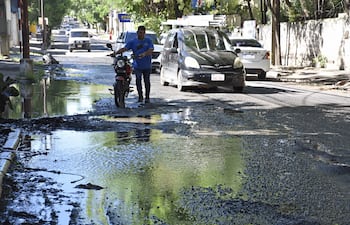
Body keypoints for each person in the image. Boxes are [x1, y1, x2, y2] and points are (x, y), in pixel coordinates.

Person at [115, 26, 154, 103]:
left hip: (147, 65)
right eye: (139, 33)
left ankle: (147, 97)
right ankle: (140, 96)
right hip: (137, 65)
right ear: (137, 33)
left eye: (142, 33)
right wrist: (115, 53)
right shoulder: (133, 42)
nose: (140, 34)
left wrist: (144, 54)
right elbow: (125, 48)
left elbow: (151, 50)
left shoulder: (148, 41)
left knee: (147, 81)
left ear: (144, 33)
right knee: (138, 80)